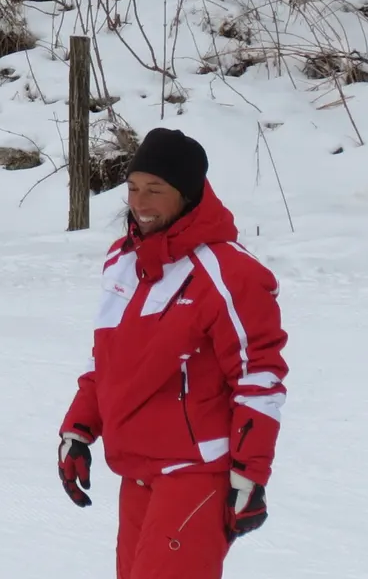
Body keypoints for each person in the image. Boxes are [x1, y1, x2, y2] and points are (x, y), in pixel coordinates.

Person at [57, 128, 288, 579]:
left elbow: (259, 378)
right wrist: (79, 430)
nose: (140, 203)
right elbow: (105, 357)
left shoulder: (228, 272)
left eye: (156, 190)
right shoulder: (123, 260)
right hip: (138, 469)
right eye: (133, 189)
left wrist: (250, 473)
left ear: (188, 195)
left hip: (196, 473)